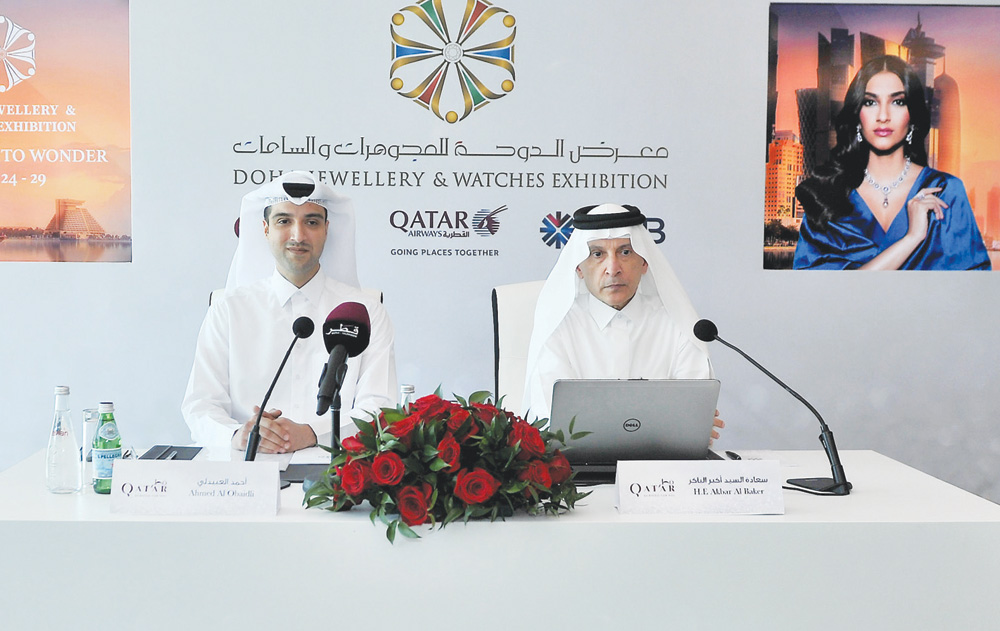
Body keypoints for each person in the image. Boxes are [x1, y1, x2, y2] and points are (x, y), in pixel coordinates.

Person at [182, 171, 397, 454]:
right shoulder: (229, 309)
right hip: (243, 476)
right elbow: (201, 405)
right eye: (284, 221)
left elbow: (379, 408)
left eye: (311, 222)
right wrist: (238, 435)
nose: (298, 235)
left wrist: (311, 434)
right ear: (265, 229)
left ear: (327, 229)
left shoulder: (365, 311)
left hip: (337, 475)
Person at [522, 203, 722, 439]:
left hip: (664, 469)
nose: (612, 269)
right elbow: (553, 425)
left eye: (625, 252)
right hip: (577, 472)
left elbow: (694, 421)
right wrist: (661, 422)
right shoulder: (557, 329)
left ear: (645, 262)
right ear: (578, 268)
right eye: (597, 254)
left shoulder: (679, 325)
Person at [794, 55, 990, 270]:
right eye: (870, 102)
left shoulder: (946, 191)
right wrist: (911, 238)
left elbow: (971, 291)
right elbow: (815, 296)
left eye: (898, 102)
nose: (883, 115)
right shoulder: (826, 195)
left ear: (912, 115)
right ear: (857, 114)